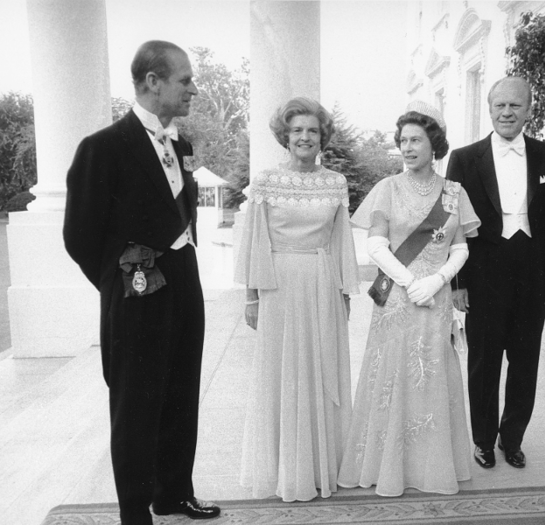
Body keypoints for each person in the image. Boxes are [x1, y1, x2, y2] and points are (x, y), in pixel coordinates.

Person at [63, 41, 220, 524]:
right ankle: (135, 512)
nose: (194, 88)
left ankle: (174, 493)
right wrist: (121, 285)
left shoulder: (183, 145)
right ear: (153, 82)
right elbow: (80, 235)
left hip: (185, 284)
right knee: (136, 402)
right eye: (185, 80)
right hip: (135, 295)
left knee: (180, 391)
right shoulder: (103, 147)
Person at [338, 101, 480, 496]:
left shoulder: (454, 193)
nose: (408, 147)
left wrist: (436, 281)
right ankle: (388, 466)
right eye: (403, 140)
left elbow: (461, 247)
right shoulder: (387, 188)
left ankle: (431, 466)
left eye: (416, 139)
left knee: (432, 373)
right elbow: (376, 245)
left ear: (434, 143)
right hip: (397, 300)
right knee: (394, 375)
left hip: (435, 300)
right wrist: (407, 280)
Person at [234, 97, 360, 502]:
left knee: (321, 369)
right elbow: (256, 240)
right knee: (283, 372)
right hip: (279, 285)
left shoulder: (335, 182)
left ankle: (323, 466)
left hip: (322, 282)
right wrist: (252, 297)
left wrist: (344, 291)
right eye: (297, 131)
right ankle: (288, 469)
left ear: (323, 137)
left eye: (312, 130)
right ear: (285, 138)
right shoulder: (267, 180)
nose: (305, 137)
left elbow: (341, 240)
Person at [446, 76, 545, 470]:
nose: (506, 112)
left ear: (529, 110)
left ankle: (511, 438)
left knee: (525, 361)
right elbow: (451, 223)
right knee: (483, 362)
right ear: (489, 108)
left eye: (515, 105)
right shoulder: (464, 159)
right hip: (482, 275)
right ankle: (482, 440)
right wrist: (457, 282)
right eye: (499, 105)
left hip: (532, 274)